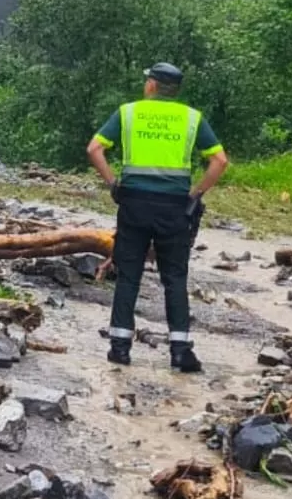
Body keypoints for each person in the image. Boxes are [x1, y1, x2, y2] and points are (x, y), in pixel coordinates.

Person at [85, 62, 229, 373]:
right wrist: (195, 194)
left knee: (129, 276)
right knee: (175, 278)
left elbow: (94, 149)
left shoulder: (128, 113)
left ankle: (120, 349)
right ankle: (180, 351)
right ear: (174, 90)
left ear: (151, 85)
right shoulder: (192, 118)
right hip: (175, 207)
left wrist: (114, 184)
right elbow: (219, 161)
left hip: (134, 204)